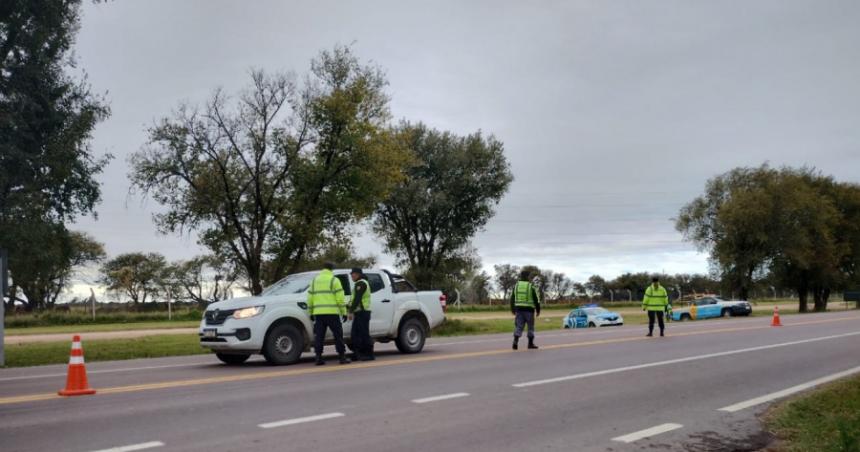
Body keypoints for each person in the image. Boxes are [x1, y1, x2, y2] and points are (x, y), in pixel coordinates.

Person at [307, 262, 350, 365]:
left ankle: (318, 358)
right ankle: (342, 357)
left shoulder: (314, 281)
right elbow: (340, 298)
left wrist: (311, 313)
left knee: (319, 337)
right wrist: (343, 312)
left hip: (319, 314)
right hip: (332, 313)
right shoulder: (334, 280)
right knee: (338, 335)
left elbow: (310, 298)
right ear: (332, 269)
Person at [348, 268, 374, 361]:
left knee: (363, 334)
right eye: (351, 274)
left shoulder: (361, 283)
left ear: (358, 274)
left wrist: (350, 311)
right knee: (355, 334)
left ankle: (369, 354)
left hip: (363, 312)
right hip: (359, 312)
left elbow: (357, 298)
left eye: (353, 274)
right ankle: (358, 354)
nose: (352, 276)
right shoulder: (359, 283)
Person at [510, 270, 541, 350]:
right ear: (528, 276)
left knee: (519, 326)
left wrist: (513, 309)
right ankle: (530, 344)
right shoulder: (530, 286)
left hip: (519, 310)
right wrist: (538, 310)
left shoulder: (516, 285)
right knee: (530, 327)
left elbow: (512, 298)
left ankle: (515, 342)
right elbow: (536, 299)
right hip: (529, 311)